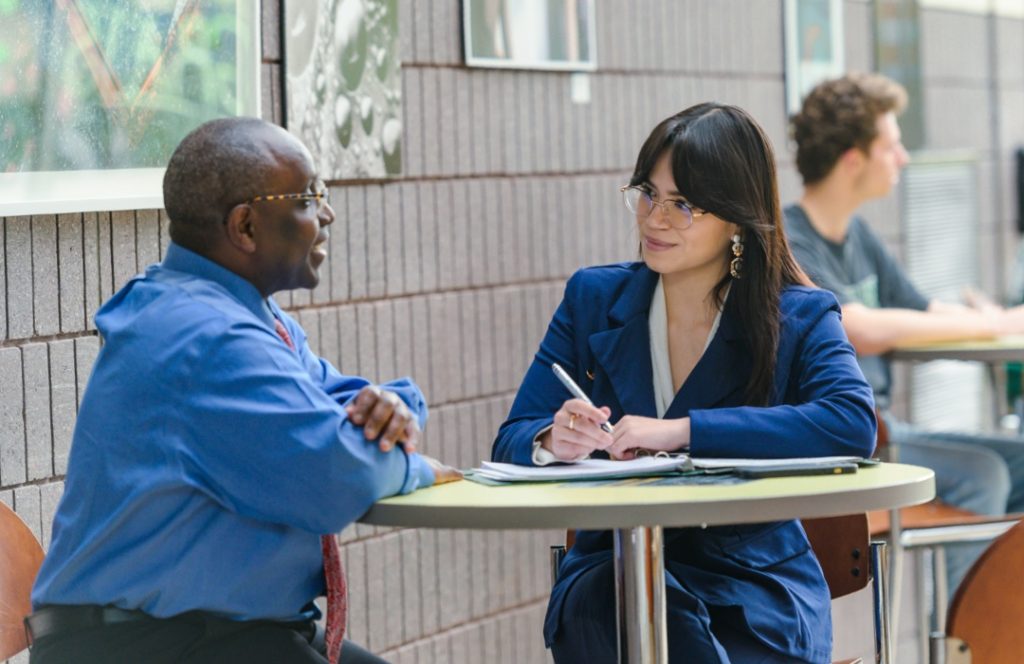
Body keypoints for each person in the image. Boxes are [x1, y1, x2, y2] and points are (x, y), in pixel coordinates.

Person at [27, 117, 460, 664]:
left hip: (229, 633)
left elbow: (340, 400)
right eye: (308, 198)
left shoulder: (239, 314)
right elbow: (335, 477)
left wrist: (396, 406)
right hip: (152, 645)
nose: (326, 215)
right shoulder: (206, 336)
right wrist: (420, 467)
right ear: (246, 227)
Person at [492, 103, 877, 663]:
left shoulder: (797, 315)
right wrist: (552, 440)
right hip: (613, 577)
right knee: (623, 607)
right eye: (648, 193)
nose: (654, 219)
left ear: (737, 218)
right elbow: (511, 438)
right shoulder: (593, 300)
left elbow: (851, 423)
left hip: (749, 589)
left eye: (684, 204)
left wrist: (682, 432)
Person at [785, 72, 1024, 592]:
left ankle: (1003, 628)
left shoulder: (857, 235)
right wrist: (990, 323)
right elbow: (858, 327)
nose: (903, 159)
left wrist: (1001, 319)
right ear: (854, 159)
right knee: (984, 474)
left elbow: (921, 308)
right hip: (850, 439)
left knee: (1018, 460)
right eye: (892, 146)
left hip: (889, 427)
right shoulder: (791, 242)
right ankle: (968, 642)